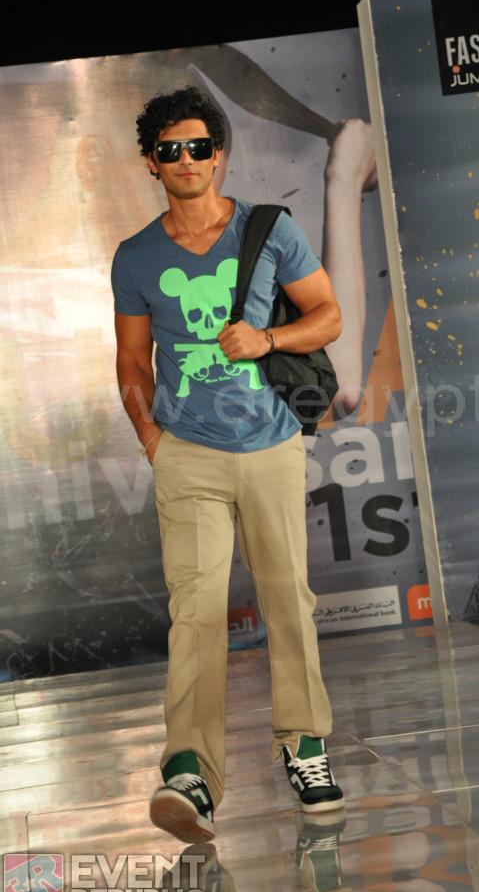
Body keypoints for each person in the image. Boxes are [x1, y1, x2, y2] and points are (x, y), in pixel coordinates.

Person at [111, 86, 345, 843]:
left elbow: (328, 316)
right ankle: (190, 772)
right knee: (196, 613)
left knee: (288, 600)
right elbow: (131, 361)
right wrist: (154, 441)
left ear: (219, 154)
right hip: (187, 455)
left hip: (271, 445)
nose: (187, 159)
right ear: (152, 163)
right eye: (170, 150)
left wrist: (267, 340)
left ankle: (305, 747)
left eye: (199, 146)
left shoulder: (268, 230)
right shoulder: (136, 256)